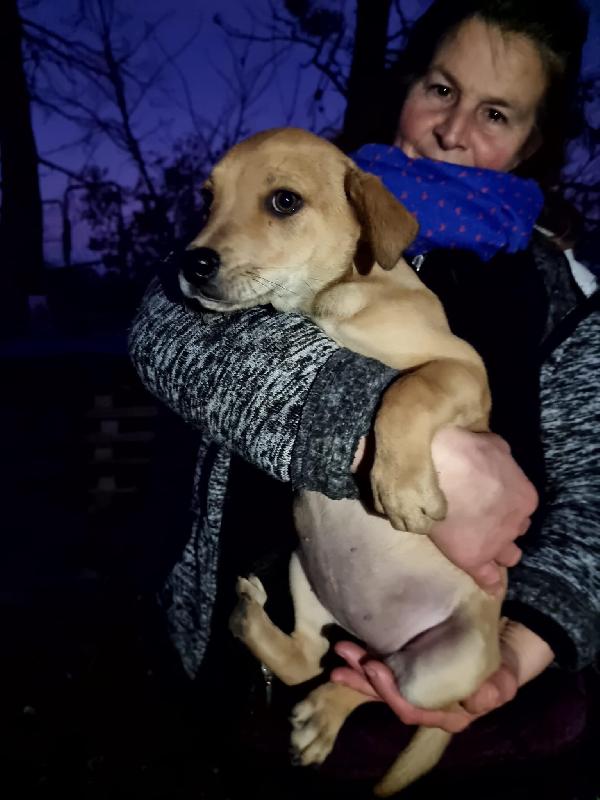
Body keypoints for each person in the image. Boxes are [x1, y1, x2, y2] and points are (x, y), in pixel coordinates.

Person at [128, 0, 599, 789]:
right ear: (405, 87)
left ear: (532, 142)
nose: (454, 131)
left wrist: (517, 652)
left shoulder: (566, 293)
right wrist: (389, 437)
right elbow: (166, 331)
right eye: (441, 90)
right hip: (264, 682)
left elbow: (591, 504)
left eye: (496, 112)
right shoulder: (313, 179)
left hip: (501, 701)